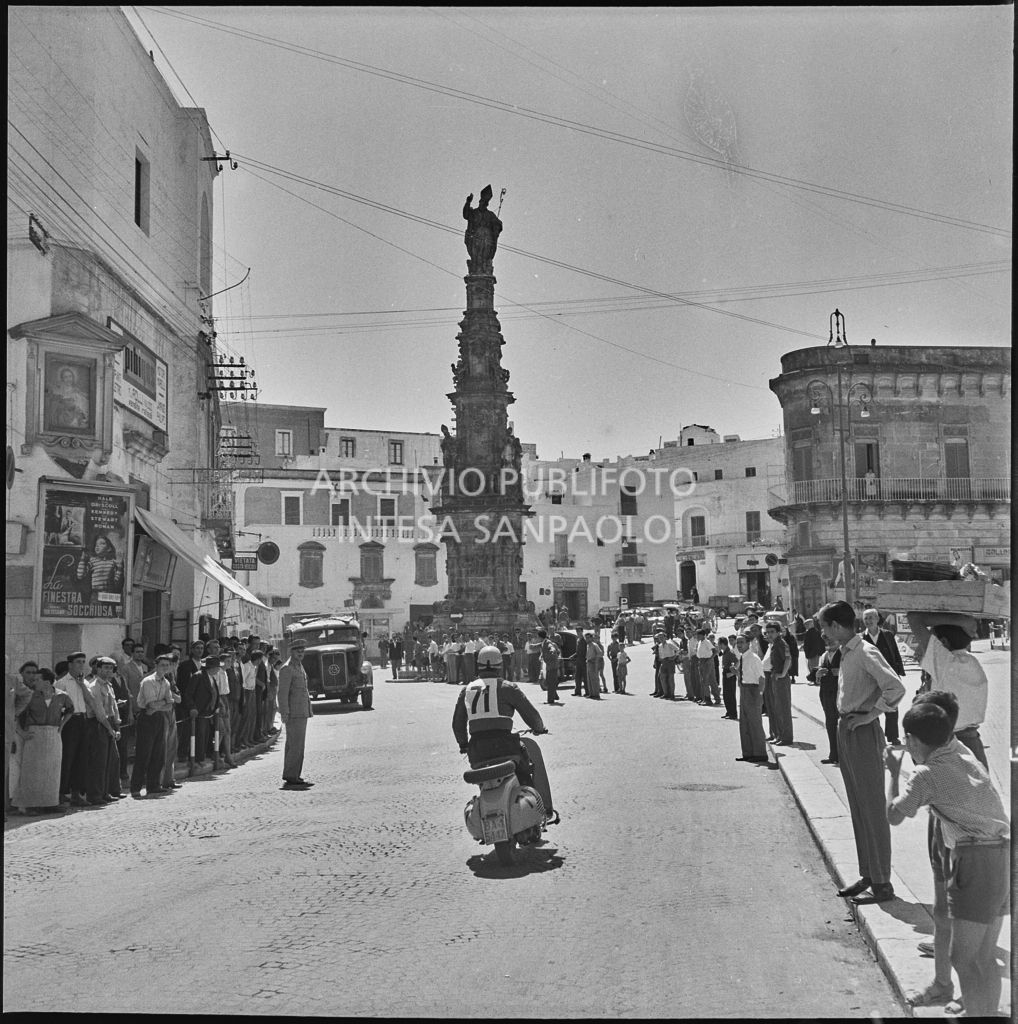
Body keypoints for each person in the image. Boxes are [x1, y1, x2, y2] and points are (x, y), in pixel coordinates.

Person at [885, 700, 1008, 1017]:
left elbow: (894, 815)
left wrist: (892, 774)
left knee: (963, 958)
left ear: (912, 740)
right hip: (1006, 854)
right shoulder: (962, 753)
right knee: (983, 956)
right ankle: (985, 1012)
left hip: (976, 861)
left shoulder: (926, 775)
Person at [817, 600, 906, 905]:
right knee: (857, 806)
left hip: (863, 732)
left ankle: (883, 883)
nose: (822, 633)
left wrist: (871, 716)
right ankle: (869, 873)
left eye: (824, 627)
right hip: (847, 729)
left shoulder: (866, 651)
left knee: (871, 807)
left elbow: (895, 688)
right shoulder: (846, 654)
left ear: (837, 626)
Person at [452, 644, 554, 820]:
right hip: (507, 747)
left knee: (484, 782)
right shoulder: (507, 687)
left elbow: (457, 724)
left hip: (478, 751)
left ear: (478, 666)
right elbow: (530, 714)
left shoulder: (466, 691)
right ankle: (536, 812)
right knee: (526, 772)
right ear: (500, 666)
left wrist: (463, 744)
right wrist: (539, 728)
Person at [914, 620, 988, 766]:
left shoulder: (944, 661)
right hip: (973, 743)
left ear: (943, 642)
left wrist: (959, 618)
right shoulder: (972, 661)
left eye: (930, 642)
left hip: (948, 746)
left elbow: (914, 619)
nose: (921, 647)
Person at [11, 666, 73, 814]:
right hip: (34, 735)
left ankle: (50, 803)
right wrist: (21, 732)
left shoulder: (62, 696)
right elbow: (15, 714)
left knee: (52, 770)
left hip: (53, 734)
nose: (35, 681)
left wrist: (62, 725)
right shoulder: (30, 696)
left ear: (47, 682)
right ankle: (30, 805)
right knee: (32, 771)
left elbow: (70, 710)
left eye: (38, 679)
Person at [131, 650, 176, 797]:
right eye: (162, 665)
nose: (164, 668)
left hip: (159, 718)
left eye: (167, 665)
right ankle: (136, 788)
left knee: (158, 753)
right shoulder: (148, 681)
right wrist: (164, 703)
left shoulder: (166, 682)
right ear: (156, 665)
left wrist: (162, 704)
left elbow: (170, 705)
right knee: (144, 753)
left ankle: (153, 785)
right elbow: (150, 705)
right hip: (146, 718)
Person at [861, 607, 905, 744]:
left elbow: (895, 654)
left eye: (871, 618)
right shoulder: (861, 638)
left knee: (891, 705)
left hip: (888, 676)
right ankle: (877, 736)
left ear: (877, 619)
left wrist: (898, 673)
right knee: (873, 706)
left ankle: (892, 736)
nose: (868, 621)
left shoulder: (887, 635)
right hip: (870, 678)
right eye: (866, 618)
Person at [277, 637, 314, 790]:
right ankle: (292, 776)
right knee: (295, 746)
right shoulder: (287, 668)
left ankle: (294, 774)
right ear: (291, 652)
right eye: (298, 651)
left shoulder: (299, 666)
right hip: (293, 713)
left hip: (302, 711)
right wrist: (284, 713)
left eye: (302, 651)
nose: (301, 653)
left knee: (297, 745)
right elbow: (282, 693)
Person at [734, 633, 768, 762]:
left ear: (748, 643)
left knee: (755, 723)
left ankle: (760, 753)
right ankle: (748, 753)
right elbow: (746, 675)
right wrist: (736, 673)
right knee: (744, 723)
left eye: (742, 642)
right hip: (744, 689)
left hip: (753, 691)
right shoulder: (743, 657)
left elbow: (761, 678)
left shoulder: (754, 658)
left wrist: (759, 695)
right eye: (738, 643)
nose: (739, 645)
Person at [762, 622, 793, 744]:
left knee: (782, 708)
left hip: (780, 678)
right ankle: (778, 734)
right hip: (773, 676)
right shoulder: (774, 644)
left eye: (772, 632)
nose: (769, 634)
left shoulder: (781, 643)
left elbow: (788, 659)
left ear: (778, 632)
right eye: (768, 632)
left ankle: (786, 737)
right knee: (774, 707)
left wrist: (783, 674)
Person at [462, 186, 503, 270]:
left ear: (486, 204)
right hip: (476, 237)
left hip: (487, 238)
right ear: (479, 202)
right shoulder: (474, 213)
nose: (482, 204)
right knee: (476, 254)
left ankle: (483, 267)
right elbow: (466, 215)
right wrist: (468, 202)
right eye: (481, 202)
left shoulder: (490, 215)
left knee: (485, 254)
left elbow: (499, 224)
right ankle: (476, 267)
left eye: (484, 203)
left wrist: (496, 226)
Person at [816, 636, 842, 765]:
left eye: (832, 639)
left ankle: (843, 755)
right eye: (827, 640)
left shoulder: (844, 653)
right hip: (826, 693)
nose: (830, 641)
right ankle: (833, 755)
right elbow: (814, 676)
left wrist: (840, 672)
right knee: (830, 724)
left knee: (841, 725)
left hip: (839, 694)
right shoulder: (824, 655)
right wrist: (818, 674)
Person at [537, 629, 560, 705]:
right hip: (549, 665)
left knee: (550, 682)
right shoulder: (544, 642)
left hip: (552, 665)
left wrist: (552, 652)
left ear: (540, 637)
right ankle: (555, 696)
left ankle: (550, 700)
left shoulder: (548, 643)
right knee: (549, 681)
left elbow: (552, 648)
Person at [718, 636, 738, 720]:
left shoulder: (730, 652)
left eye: (719, 644)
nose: (718, 646)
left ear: (723, 644)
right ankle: (729, 711)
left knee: (730, 695)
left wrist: (732, 673)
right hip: (725, 672)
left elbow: (737, 662)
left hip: (729, 673)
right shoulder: (725, 652)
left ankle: (733, 713)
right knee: (726, 694)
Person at [801, 618, 826, 684]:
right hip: (811, 653)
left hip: (813, 653)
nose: (805, 626)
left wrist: (812, 653)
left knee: (814, 667)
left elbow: (816, 644)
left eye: (807, 624)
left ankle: (815, 680)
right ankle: (813, 680)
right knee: (810, 666)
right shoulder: (810, 632)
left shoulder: (814, 632)